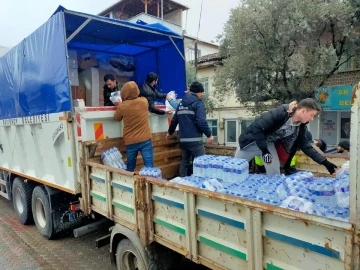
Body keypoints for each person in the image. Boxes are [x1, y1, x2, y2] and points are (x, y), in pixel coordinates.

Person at [235, 98, 337, 176]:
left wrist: (325, 163)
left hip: (268, 146)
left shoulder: (300, 126)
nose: (312, 119)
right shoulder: (280, 113)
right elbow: (257, 128)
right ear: (303, 111)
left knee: (274, 174)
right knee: (235, 170)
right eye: (312, 115)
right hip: (250, 144)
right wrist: (264, 151)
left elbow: (306, 146)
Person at [166, 81, 214, 177]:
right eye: (202, 92)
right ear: (197, 92)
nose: (202, 94)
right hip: (195, 141)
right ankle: (199, 184)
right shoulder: (198, 103)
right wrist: (209, 135)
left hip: (183, 140)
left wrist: (170, 132)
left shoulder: (180, 104)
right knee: (200, 164)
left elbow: (175, 120)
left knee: (184, 162)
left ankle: (182, 183)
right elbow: (201, 121)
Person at [114, 81, 153, 172]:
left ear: (124, 93)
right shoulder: (144, 101)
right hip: (145, 139)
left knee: (130, 167)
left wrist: (119, 104)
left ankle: (130, 183)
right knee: (150, 167)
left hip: (130, 141)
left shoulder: (122, 106)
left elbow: (116, 118)